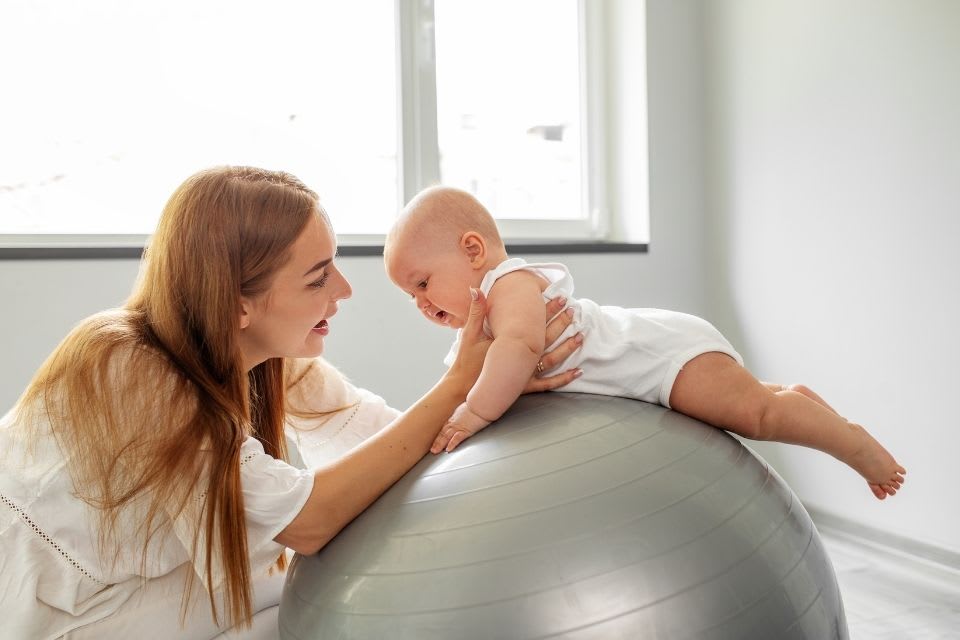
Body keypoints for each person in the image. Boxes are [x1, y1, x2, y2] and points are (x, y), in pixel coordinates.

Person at [0, 167, 582, 639]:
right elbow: (308, 520)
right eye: (317, 278)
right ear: (238, 306)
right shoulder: (130, 367)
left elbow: (384, 438)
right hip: (49, 613)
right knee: (306, 579)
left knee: (312, 579)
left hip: (122, 589)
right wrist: (459, 383)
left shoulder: (263, 356)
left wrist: (491, 390)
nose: (344, 292)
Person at [383, 185, 907, 501]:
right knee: (761, 400)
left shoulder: (508, 285)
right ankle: (792, 398)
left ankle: (851, 443)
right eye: (409, 297)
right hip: (643, 369)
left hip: (658, 356)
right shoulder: (475, 332)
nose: (421, 305)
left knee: (756, 416)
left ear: (473, 250)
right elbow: (457, 383)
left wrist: (474, 415)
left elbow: (518, 351)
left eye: (423, 283)